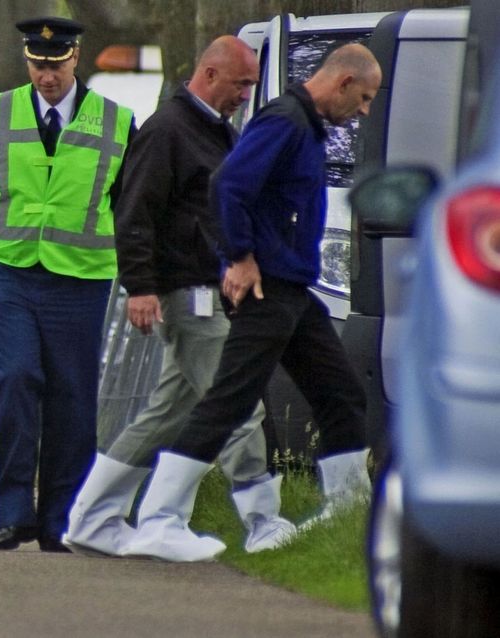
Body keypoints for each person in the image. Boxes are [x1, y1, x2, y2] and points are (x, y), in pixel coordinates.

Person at [122, 43, 382, 562]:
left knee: (341, 392)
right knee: (229, 402)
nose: (366, 111)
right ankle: (159, 517)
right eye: (367, 97)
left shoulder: (307, 127)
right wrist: (238, 257)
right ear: (343, 83)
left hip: (293, 289)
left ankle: (349, 507)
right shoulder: (284, 121)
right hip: (267, 289)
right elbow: (229, 185)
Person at [63, 36, 296, 559]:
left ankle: (95, 518)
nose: (247, 93)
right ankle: (264, 522)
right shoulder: (167, 130)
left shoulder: (214, 131)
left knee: (168, 412)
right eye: (242, 84)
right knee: (237, 403)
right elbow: (133, 212)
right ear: (210, 74)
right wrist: (140, 286)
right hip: (186, 294)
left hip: (207, 292)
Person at [0, 16, 136, 552]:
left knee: (72, 398)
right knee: (15, 379)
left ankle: (60, 519)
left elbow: (129, 202)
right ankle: (13, 513)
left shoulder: (117, 121)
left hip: (81, 278)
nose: (46, 76)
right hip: (11, 270)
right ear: (27, 62)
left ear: (75, 58)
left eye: (55, 64)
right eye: (37, 65)